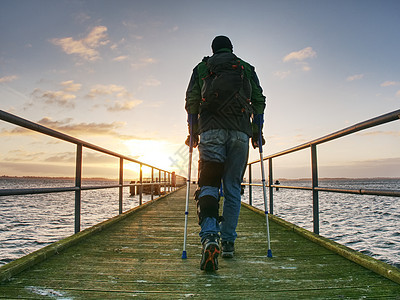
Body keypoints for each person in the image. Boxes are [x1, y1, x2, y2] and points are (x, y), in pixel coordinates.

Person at [185, 36, 266, 271]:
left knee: (209, 184)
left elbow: (192, 101)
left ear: (212, 50)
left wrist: (193, 132)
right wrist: (256, 132)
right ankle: (228, 241)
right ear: (231, 49)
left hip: (211, 131)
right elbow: (259, 101)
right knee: (232, 188)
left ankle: (210, 236)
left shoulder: (202, 68)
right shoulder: (246, 68)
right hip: (240, 133)